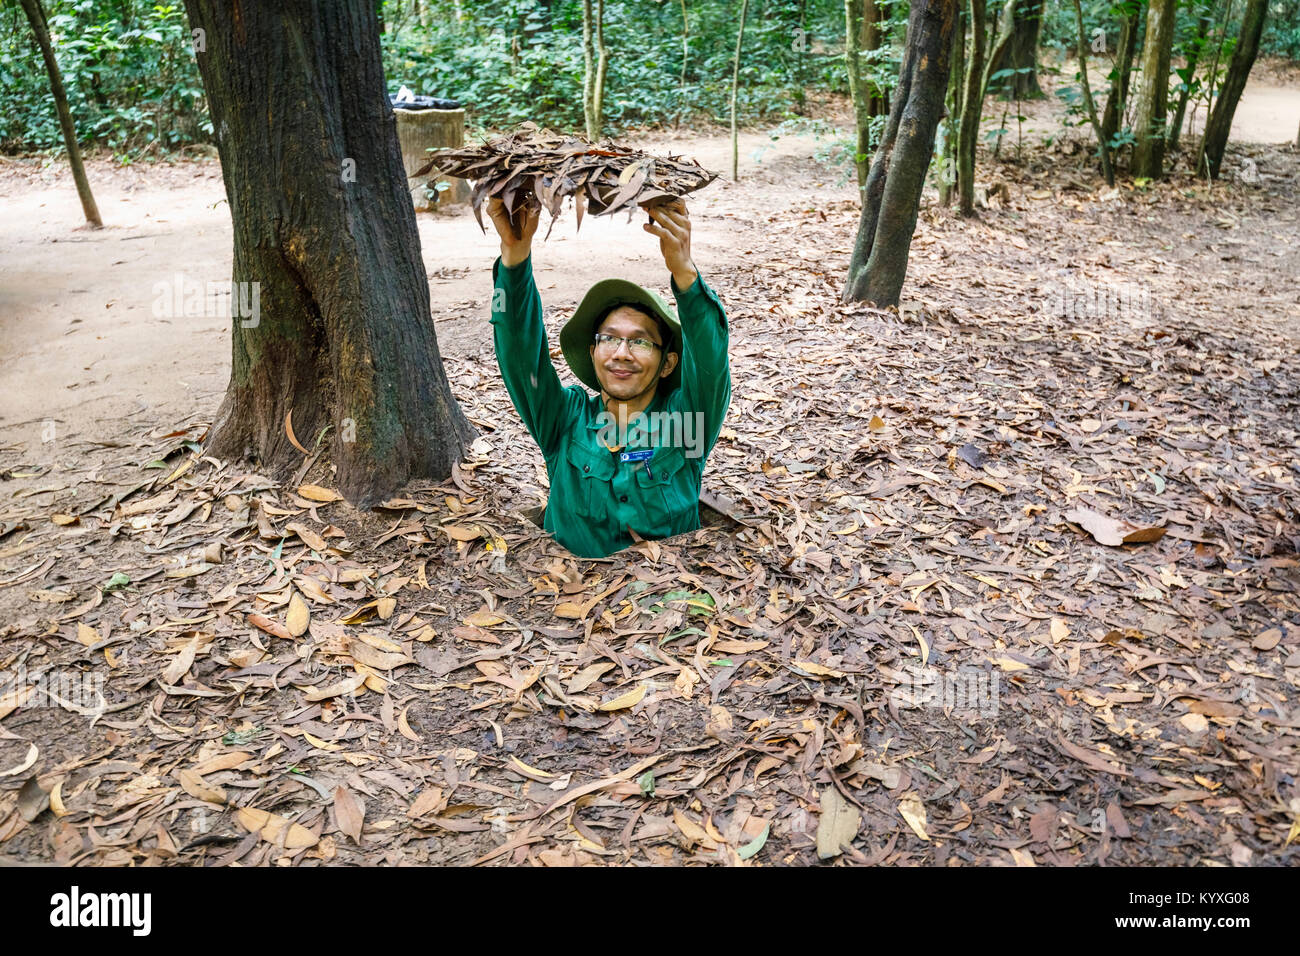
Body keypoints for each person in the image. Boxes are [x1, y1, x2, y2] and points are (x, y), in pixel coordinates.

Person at [487, 192, 730, 558]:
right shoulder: (564, 419)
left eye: (641, 342)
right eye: (608, 339)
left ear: (667, 363)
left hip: (666, 602)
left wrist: (685, 275)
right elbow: (519, 353)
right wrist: (514, 259)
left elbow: (711, 362)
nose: (620, 353)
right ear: (592, 352)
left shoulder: (686, 422)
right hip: (569, 604)